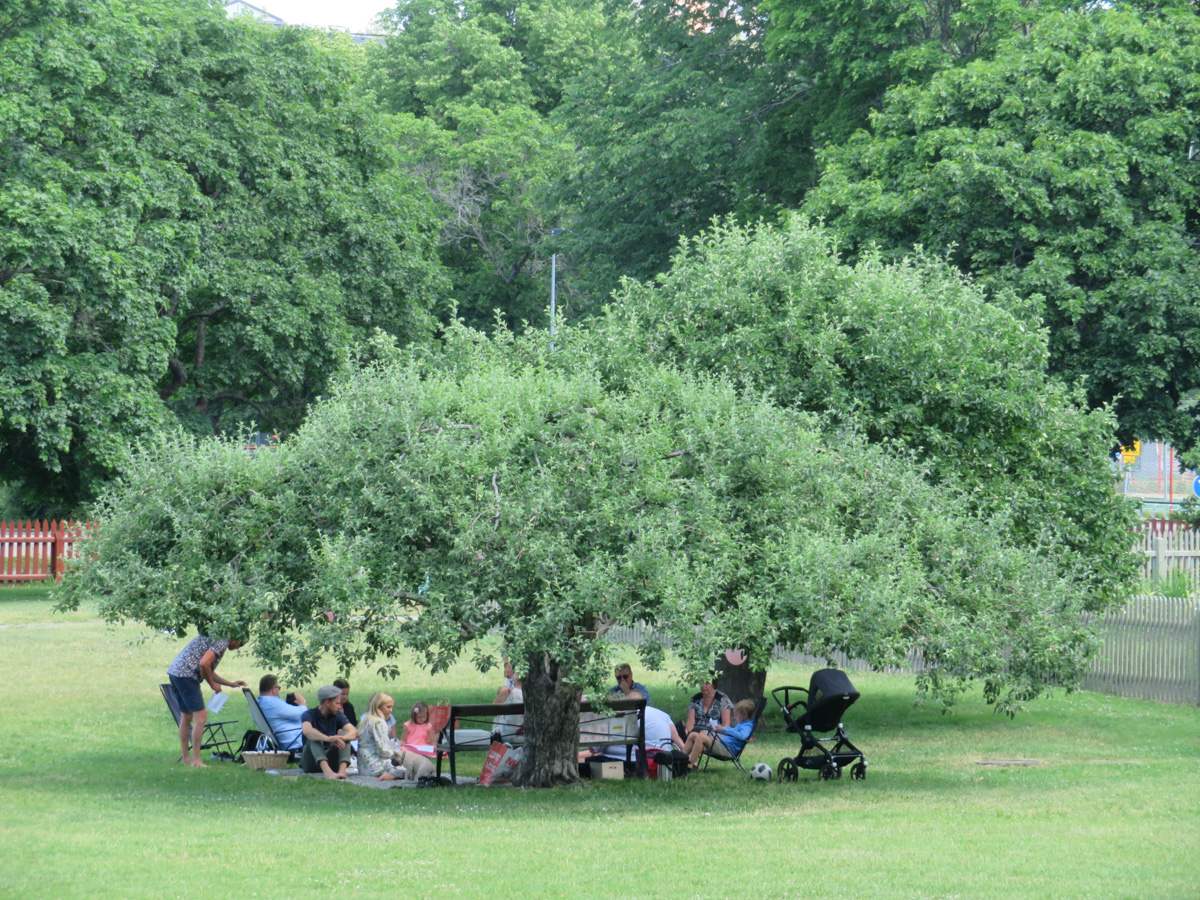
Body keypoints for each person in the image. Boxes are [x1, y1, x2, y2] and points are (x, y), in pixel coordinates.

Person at [166, 634, 247, 767]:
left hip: (176, 673)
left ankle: (186, 759)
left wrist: (230, 684)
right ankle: (196, 761)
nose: (239, 647)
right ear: (235, 639)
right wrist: (212, 684)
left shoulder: (217, 636)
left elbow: (207, 669)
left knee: (186, 716)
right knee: (201, 717)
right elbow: (204, 664)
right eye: (241, 644)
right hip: (187, 676)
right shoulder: (222, 641)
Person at [579, 705, 683, 773]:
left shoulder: (624, 715)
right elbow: (675, 736)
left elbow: (595, 748)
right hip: (662, 761)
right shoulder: (663, 714)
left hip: (628, 761)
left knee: (585, 761)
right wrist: (686, 757)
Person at [357, 692, 436, 782]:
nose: (391, 710)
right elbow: (383, 750)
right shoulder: (379, 722)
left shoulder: (367, 719)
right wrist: (399, 755)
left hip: (363, 766)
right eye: (388, 707)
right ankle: (391, 775)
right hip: (375, 765)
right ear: (378, 706)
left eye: (392, 707)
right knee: (409, 768)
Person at [300, 685, 358, 779]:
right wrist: (329, 739)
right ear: (327, 702)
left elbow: (354, 731)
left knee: (345, 735)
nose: (339, 707)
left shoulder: (337, 715)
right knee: (314, 736)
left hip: (331, 760)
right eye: (337, 703)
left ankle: (342, 772)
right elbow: (307, 731)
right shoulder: (309, 714)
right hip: (311, 762)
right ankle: (328, 772)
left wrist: (342, 738)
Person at [680, 698, 756, 769]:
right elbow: (736, 732)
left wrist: (724, 729)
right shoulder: (743, 723)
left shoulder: (747, 726)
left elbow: (743, 736)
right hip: (723, 746)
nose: (735, 717)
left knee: (701, 737)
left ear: (745, 714)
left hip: (728, 750)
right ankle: (680, 761)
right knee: (693, 735)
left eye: (736, 714)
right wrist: (723, 728)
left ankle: (688, 766)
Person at [256, 674, 305, 752]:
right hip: (297, 742)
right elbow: (303, 714)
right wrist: (303, 703)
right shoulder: (273, 703)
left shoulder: (258, 703)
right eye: (279, 688)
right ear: (274, 689)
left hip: (284, 740)